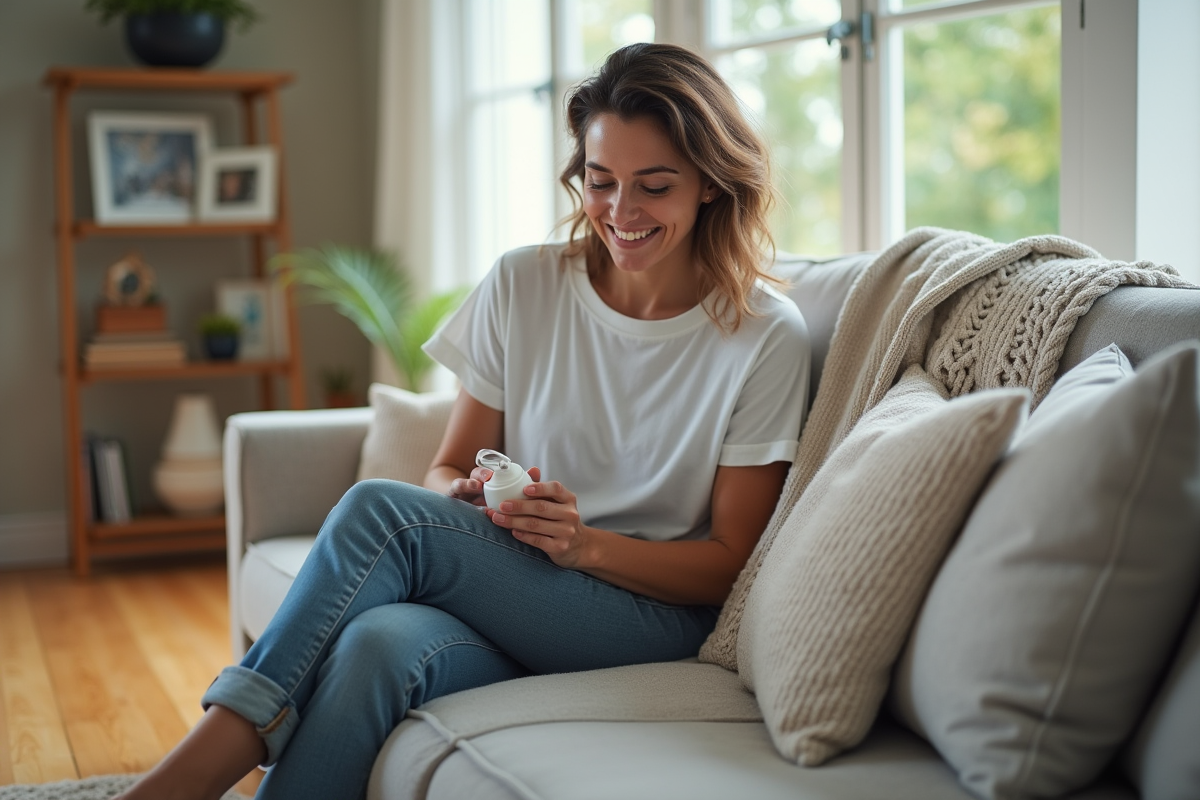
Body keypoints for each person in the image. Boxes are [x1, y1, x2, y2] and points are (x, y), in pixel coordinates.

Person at [117, 42, 810, 800]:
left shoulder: (763, 333)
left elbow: (729, 560)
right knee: (378, 643)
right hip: (523, 583)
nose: (621, 212)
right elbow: (445, 468)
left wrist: (583, 547)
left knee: (378, 511)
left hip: (648, 615)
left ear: (710, 183)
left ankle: (178, 783)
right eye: (600, 182)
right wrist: (467, 501)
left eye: (654, 186)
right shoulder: (525, 282)